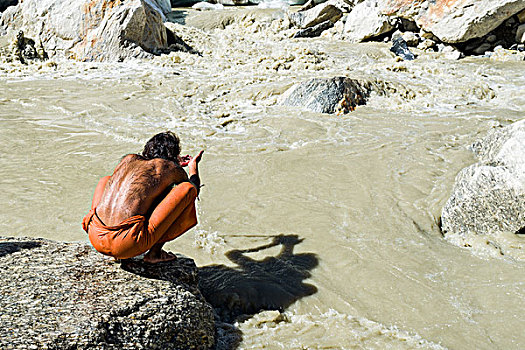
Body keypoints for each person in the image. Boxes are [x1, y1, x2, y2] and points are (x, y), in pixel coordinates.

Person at [82, 131, 204, 263]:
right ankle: (154, 254)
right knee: (187, 189)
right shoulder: (169, 167)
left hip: (95, 236)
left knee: (107, 180)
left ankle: (107, 238)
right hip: (126, 245)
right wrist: (193, 167)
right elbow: (193, 188)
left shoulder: (128, 159)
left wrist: (173, 163)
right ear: (173, 155)